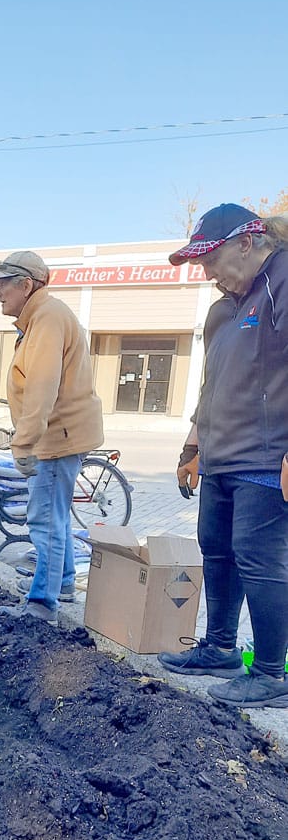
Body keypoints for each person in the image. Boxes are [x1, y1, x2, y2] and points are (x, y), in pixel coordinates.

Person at [157, 203, 288, 708]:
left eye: (210, 259)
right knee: (216, 550)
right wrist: (192, 445)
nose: (206, 272)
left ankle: (272, 673)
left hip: (266, 456)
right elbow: (212, 386)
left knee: (259, 560)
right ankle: (219, 648)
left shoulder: (282, 280)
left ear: (248, 241)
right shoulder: (220, 310)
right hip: (220, 455)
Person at [0, 251, 103, 625]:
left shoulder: (47, 318)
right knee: (56, 514)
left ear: (26, 284)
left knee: (44, 517)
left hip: (56, 437)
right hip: (63, 434)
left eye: (3, 284)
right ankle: (61, 582)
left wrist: (24, 442)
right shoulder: (41, 318)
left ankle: (42, 602)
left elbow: (42, 386)